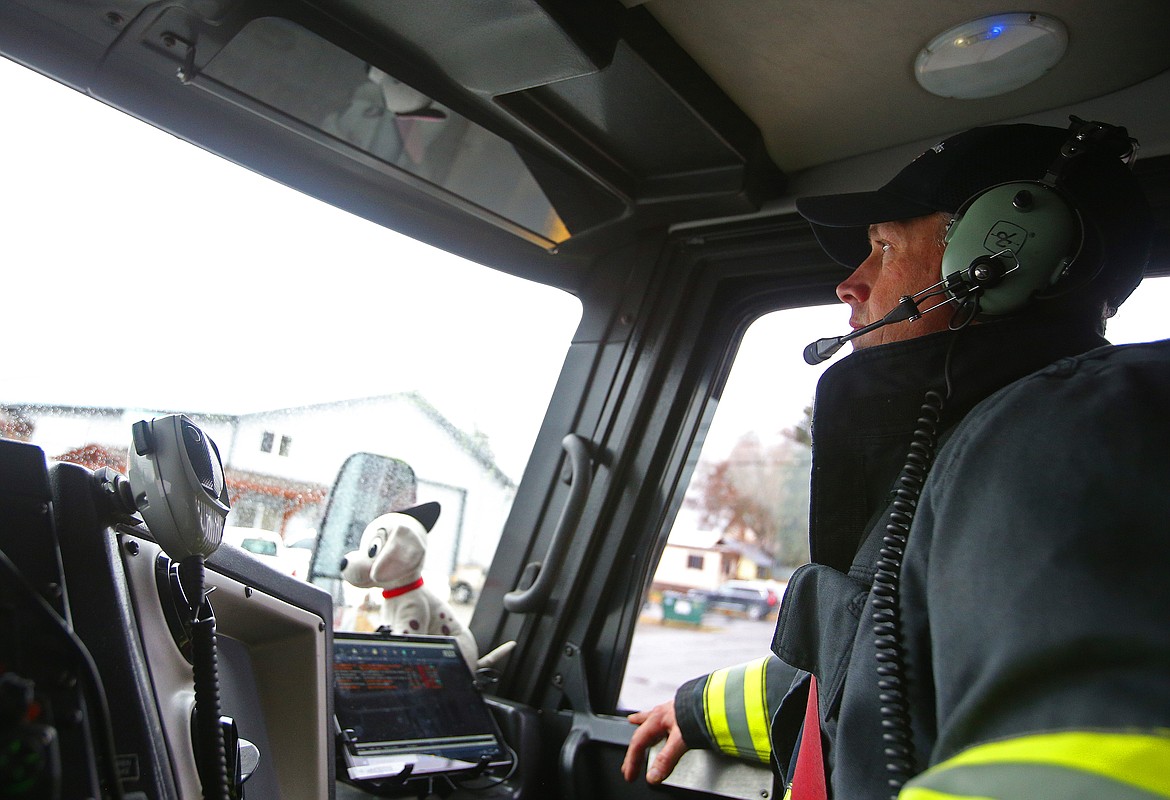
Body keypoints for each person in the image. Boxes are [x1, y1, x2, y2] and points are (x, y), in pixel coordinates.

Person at [622, 119, 1170, 798]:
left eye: (883, 247)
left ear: (1003, 254)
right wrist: (695, 706)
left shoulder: (1077, 436)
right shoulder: (956, 459)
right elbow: (861, 682)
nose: (849, 284)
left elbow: (1079, 756)